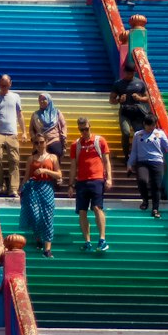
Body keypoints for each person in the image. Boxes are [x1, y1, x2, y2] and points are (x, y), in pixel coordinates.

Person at [69, 116, 112, 253]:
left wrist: (109, 178)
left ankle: (102, 239)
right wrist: (70, 184)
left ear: (90, 127)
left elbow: (107, 161)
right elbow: (73, 165)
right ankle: (87, 241)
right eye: (81, 130)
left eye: (86, 129)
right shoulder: (76, 144)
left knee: (97, 208)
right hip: (81, 181)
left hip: (96, 179)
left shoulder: (99, 141)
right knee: (82, 211)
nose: (84, 132)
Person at [20, 135, 63, 256]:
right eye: (36, 143)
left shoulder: (52, 157)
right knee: (35, 215)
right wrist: (21, 190)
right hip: (33, 188)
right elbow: (26, 176)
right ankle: (38, 238)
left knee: (48, 217)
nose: (39, 145)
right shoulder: (31, 159)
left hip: (47, 187)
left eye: (41, 142)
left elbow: (59, 174)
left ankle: (47, 249)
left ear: (46, 142)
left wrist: (45, 171)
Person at [0, 74, 25, 197]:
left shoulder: (16, 97)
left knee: (14, 160)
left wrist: (24, 132)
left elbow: (20, 115)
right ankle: (1, 185)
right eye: (2, 85)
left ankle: (13, 188)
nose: (4, 87)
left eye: (6, 85)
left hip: (12, 133)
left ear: (10, 84)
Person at [128, 122, 168, 216]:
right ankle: (145, 200)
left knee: (156, 186)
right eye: (148, 125)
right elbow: (134, 151)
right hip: (142, 162)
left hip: (157, 162)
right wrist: (129, 164)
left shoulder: (160, 133)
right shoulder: (138, 134)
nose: (151, 127)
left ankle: (155, 209)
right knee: (142, 180)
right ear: (144, 124)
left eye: (153, 125)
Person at [110, 58, 152, 162]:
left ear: (134, 72)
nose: (129, 75)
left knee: (139, 133)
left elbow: (147, 98)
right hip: (125, 112)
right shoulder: (118, 84)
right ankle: (126, 156)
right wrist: (119, 100)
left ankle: (139, 155)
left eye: (131, 73)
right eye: (127, 73)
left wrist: (139, 98)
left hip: (137, 112)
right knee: (126, 132)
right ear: (124, 72)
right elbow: (111, 100)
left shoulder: (140, 83)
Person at [29, 92, 67, 166]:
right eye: (40, 100)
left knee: (56, 153)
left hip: (54, 140)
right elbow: (31, 129)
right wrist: (34, 138)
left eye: (44, 99)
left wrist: (63, 136)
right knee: (36, 160)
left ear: (49, 100)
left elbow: (63, 126)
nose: (41, 101)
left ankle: (56, 176)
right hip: (40, 141)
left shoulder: (57, 113)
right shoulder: (35, 115)